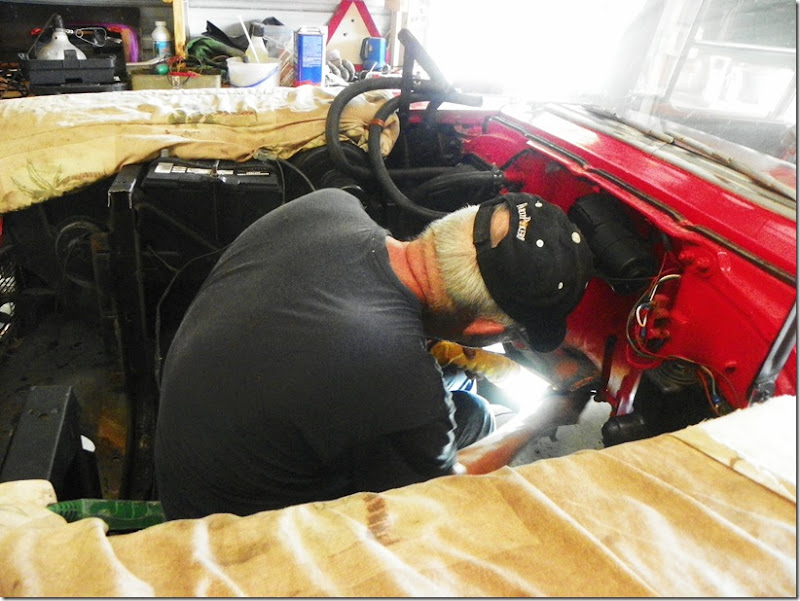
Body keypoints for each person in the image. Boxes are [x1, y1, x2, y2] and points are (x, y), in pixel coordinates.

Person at [154, 188, 593, 519]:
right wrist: (541, 417)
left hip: (198, 458)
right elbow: (441, 494)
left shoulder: (327, 205)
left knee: (467, 409)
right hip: (235, 534)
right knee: (472, 427)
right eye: (514, 335)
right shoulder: (399, 380)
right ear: (485, 328)